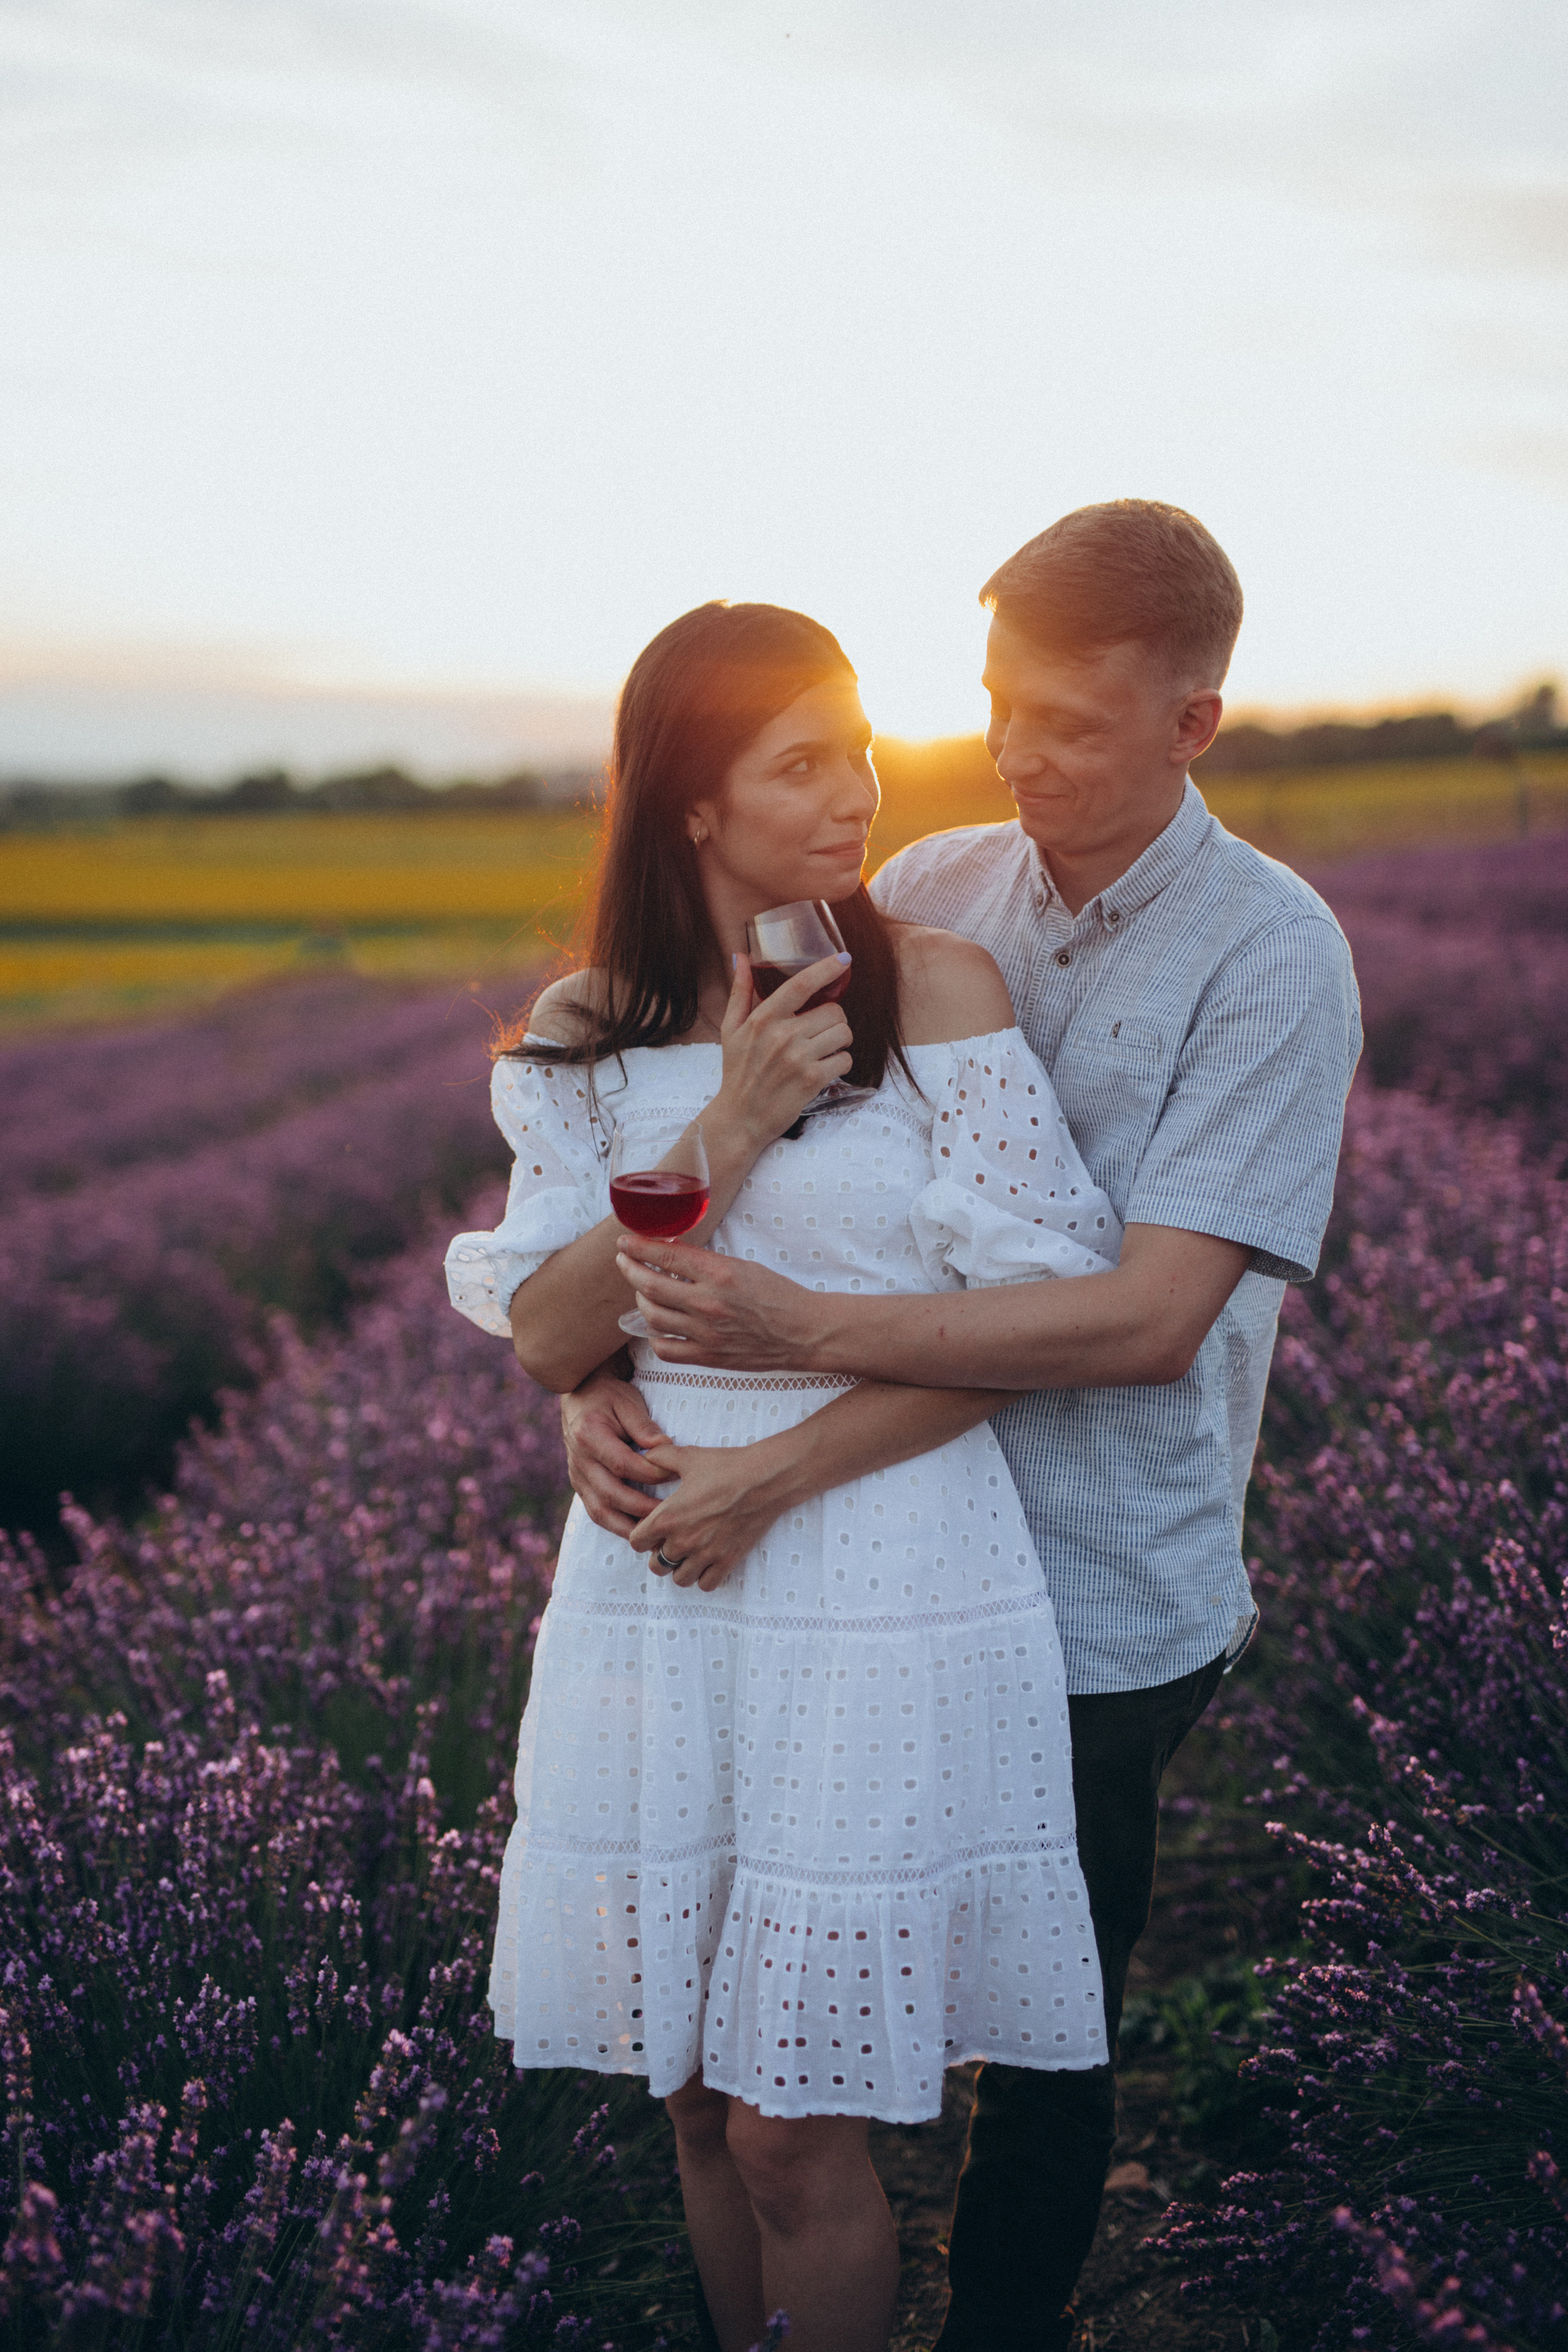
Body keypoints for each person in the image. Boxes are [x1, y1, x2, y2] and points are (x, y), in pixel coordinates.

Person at [561, 503, 1363, 2352]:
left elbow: (1156, 1322)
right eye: (998, 704)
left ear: (1195, 724)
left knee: (1038, 2038)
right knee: (791, 2042)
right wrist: (603, 1380)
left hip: (1095, 1581)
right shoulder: (928, 887)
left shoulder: (1270, 957)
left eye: (1071, 725)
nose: (1016, 755)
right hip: (852, 1562)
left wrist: (800, 1335)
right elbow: (703, 1176)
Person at [445, 599, 1133, 2352]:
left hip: (876, 1567)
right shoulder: (586, 1030)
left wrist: (775, 1477)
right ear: (692, 801)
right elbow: (544, 1331)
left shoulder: (934, 991)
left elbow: (1030, 1323)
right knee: (689, 2097)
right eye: (802, 760)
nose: (859, 789)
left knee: (792, 2117)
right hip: (657, 1586)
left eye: (862, 747)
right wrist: (730, 1126)